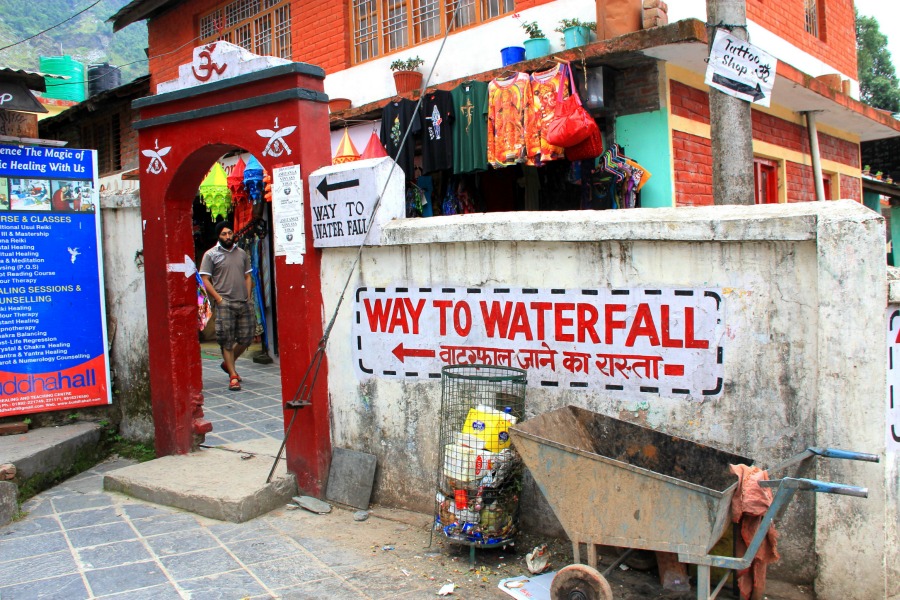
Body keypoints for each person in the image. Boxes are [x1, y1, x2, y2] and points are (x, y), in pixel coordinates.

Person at [199, 221, 254, 391]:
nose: (228, 236)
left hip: (243, 301)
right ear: (219, 236)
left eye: (230, 233)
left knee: (247, 336)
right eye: (224, 234)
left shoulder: (242, 253)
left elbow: (247, 276)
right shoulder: (211, 255)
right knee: (226, 340)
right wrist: (218, 299)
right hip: (225, 302)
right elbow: (205, 279)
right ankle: (233, 375)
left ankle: (227, 363)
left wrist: (248, 295)